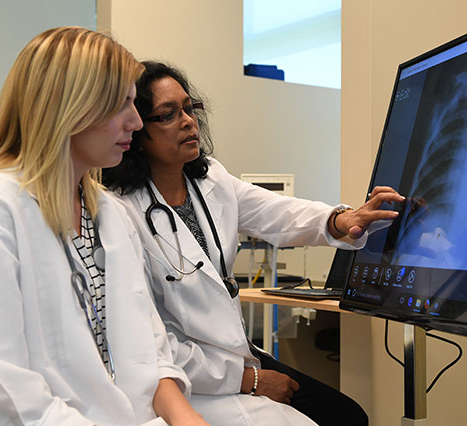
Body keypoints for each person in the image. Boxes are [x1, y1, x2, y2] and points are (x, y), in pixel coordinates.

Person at [103, 61, 404, 426]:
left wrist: (342, 220)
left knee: (347, 415)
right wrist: (250, 380)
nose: (187, 121)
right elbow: (151, 342)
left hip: (236, 356)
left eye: (189, 108)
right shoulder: (122, 211)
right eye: (168, 115)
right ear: (137, 130)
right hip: (189, 378)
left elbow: (278, 213)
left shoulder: (210, 178)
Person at [0, 28, 210, 426]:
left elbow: (152, 355)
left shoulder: (112, 216)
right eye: (122, 104)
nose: (136, 122)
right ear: (68, 106)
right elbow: (6, 393)